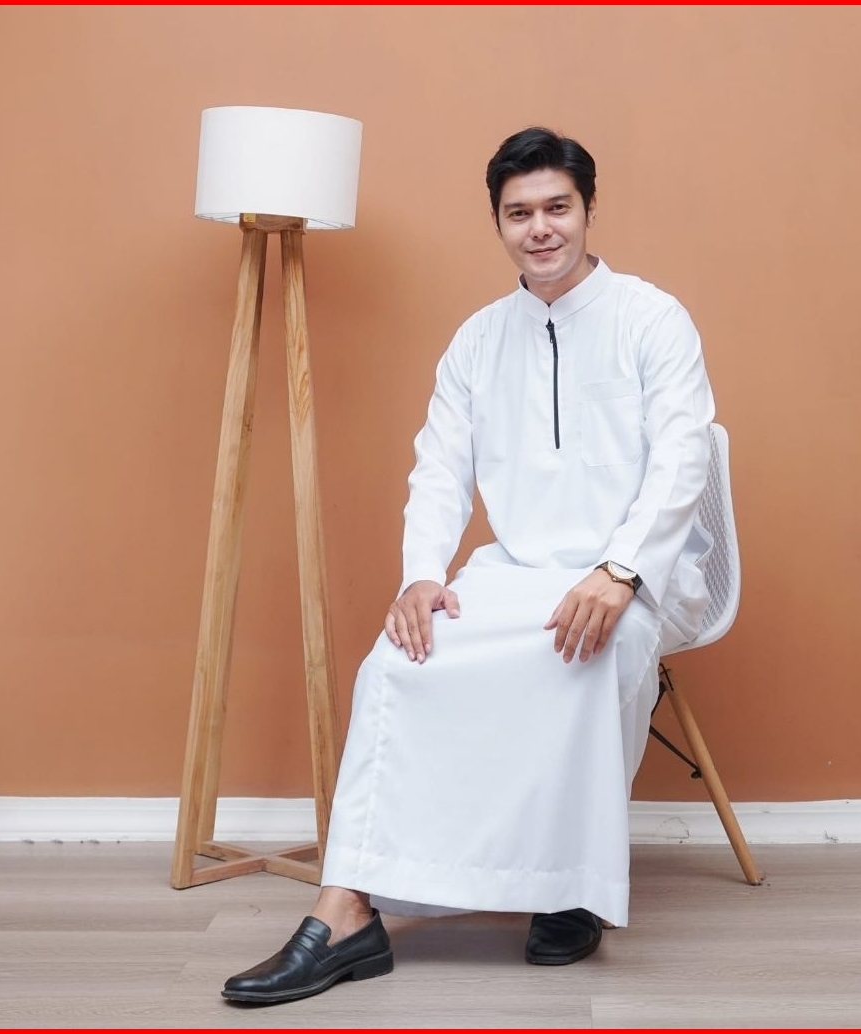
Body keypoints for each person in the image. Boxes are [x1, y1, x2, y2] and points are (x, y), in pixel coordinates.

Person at [221, 126, 716, 1006]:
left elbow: (684, 460)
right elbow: (439, 469)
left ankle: (566, 888)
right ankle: (348, 909)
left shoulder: (653, 318)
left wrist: (620, 571)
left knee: (582, 654)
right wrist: (422, 574)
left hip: (632, 574)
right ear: (498, 223)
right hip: (512, 570)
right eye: (519, 213)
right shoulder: (478, 341)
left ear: (588, 211)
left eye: (557, 207)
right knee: (395, 667)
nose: (540, 229)